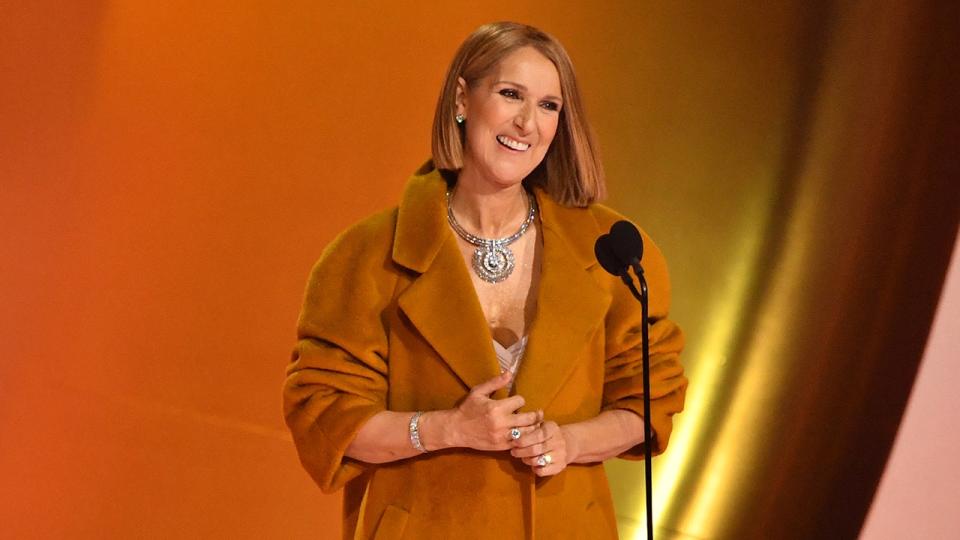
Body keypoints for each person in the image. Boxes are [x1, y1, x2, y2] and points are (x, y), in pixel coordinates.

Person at [282, 21, 687, 539]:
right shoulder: (365, 256)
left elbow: (649, 399)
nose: (526, 123)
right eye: (510, 94)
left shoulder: (612, 250)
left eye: (548, 106)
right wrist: (446, 428)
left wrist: (570, 442)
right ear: (461, 99)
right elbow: (327, 415)